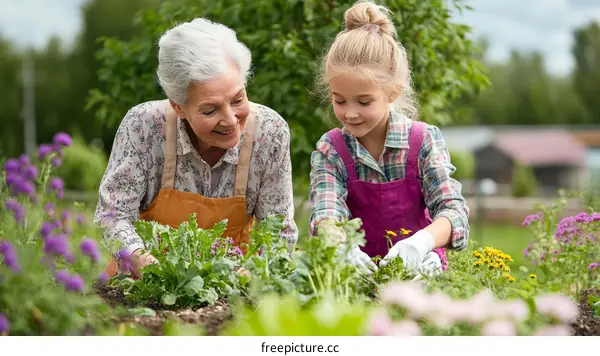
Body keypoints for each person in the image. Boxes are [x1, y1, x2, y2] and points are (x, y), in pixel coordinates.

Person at [94, 18, 298, 278]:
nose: (230, 119)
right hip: (145, 287)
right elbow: (113, 215)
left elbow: (279, 235)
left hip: (232, 291)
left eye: (238, 99)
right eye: (210, 109)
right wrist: (146, 264)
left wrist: (252, 275)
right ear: (177, 106)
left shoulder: (270, 134)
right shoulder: (143, 127)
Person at [308, 0, 470, 277]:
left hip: (418, 274)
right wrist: (341, 248)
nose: (350, 113)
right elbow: (326, 213)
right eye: (339, 100)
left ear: (393, 92)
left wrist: (423, 243)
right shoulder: (331, 150)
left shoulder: (423, 142)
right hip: (355, 276)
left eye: (364, 101)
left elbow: (453, 211)